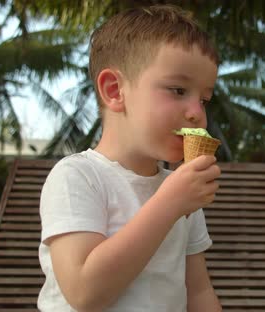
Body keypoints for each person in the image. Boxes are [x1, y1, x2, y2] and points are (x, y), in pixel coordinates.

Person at [37, 5, 222, 311]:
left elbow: (198, 290)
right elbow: (84, 294)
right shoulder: (77, 177)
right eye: (178, 90)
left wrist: (176, 198)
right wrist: (169, 203)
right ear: (114, 90)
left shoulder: (181, 191)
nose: (196, 112)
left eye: (203, 99)